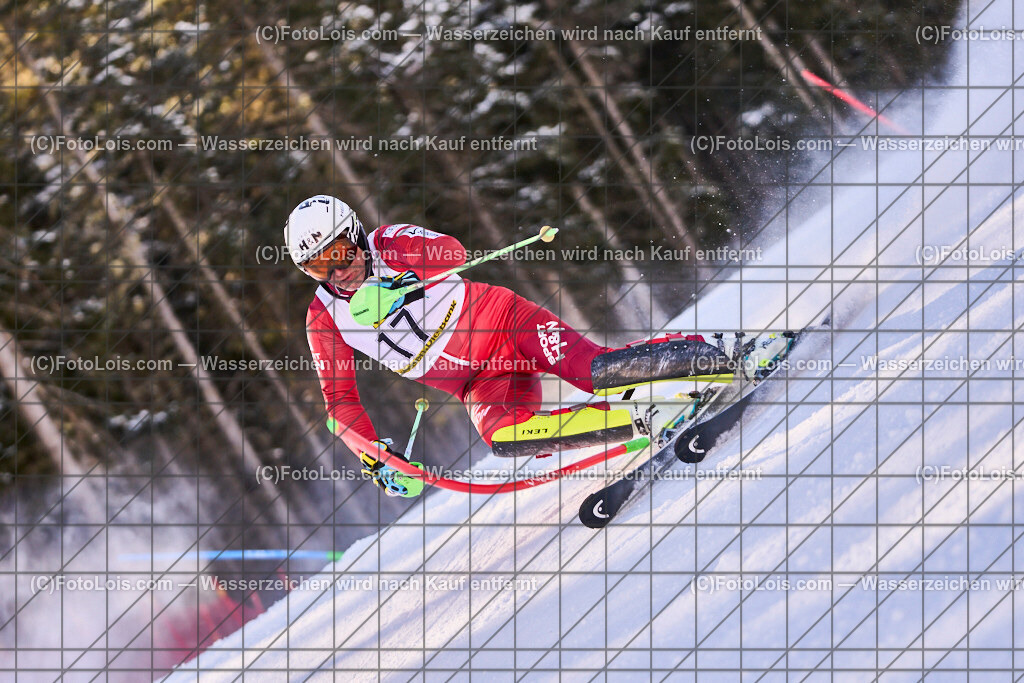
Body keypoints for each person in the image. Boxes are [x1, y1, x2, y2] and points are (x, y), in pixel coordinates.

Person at [287, 195, 732, 497]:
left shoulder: (389, 243)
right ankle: (640, 420)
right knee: (507, 438)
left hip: (507, 325)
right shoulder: (324, 318)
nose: (338, 272)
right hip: (480, 383)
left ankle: (711, 351)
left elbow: (452, 252)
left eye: (339, 253)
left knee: (594, 371)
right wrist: (375, 457)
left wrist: (402, 282)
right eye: (318, 267)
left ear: (355, 233)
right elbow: (340, 402)